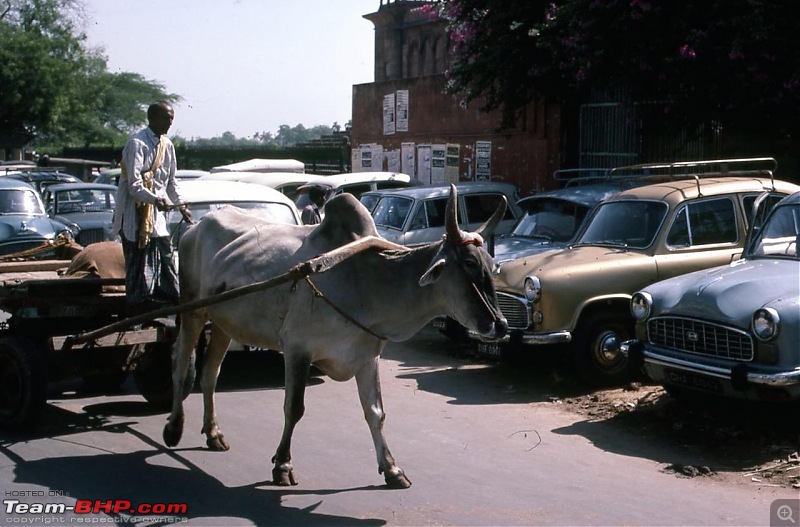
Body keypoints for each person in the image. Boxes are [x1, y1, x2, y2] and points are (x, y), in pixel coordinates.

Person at [112, 101, 190, 312]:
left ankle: (169, 300)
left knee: (165, 255)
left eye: (172, 118)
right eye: (166, 118)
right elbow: (134, 185)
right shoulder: (137, 144)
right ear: (153, 118)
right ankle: (139, 306)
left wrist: (181, 206)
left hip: (157, 215)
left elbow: (172, 182)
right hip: (134, 213)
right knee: (139, 261)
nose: (170, 122)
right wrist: (156, 199)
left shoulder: (168, 146)